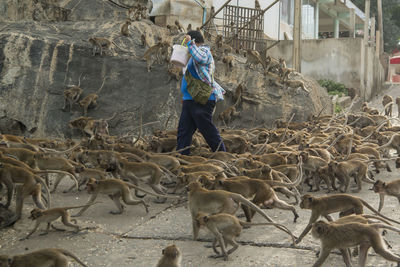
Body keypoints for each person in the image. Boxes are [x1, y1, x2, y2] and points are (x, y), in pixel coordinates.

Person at [176, 30, 226, 155]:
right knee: (184, 130)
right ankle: (182, 157)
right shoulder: (191, 54)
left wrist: (189, 43)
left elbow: (201, 59)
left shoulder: (205, 52)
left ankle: (223, 154)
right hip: (189, 98)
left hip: (203, 99)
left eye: (191, 42)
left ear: (195, 41)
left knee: (206, 129)